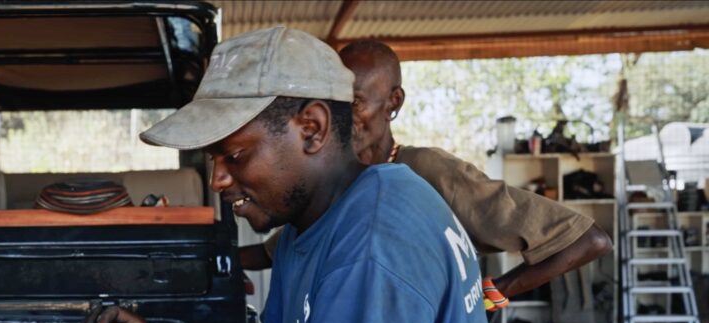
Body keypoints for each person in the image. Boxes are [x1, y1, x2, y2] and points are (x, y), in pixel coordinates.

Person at [11, 27, 541, 323]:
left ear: (310, 128)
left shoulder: (373, 242)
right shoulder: (309, 227)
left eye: (236, 154)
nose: (218, 179)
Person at [239, 40, 612, 306]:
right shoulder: (332, 181)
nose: (342, 117)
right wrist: (216, 261)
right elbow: (274, 251)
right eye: (335, 104)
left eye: (355, 103)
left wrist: (497, 292)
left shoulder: (427, 172)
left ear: (393, 102)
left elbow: (586, 241)